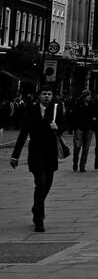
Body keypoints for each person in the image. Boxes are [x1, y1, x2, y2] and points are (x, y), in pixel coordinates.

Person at [9, 85, 66, 231]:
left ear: (52, 96)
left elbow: (64, 126)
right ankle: (39, 218)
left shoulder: (56, 109)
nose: (47, 96)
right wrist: (15, 156)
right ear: (39, 96)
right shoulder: (31, 111)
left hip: (51, 153)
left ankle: (36, 207)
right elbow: (23, 134)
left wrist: (57, 128)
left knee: (47, 185)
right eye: (44, 94)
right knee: (40, 183)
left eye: (49, 94)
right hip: (36, 153)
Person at [69, 92, 96, 172]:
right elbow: (73, 116)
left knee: (86, 148)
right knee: (77, 147)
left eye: (90, 95)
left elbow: (94, 115)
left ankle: (82, 166)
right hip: (79, 129)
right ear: (84, 97)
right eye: (88, 96)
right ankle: (75, 162)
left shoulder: (92, 105)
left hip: (89, 129)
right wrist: (75, 127)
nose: (89, 97)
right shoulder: (78, 105)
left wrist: (93, 123)